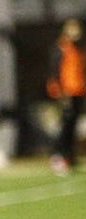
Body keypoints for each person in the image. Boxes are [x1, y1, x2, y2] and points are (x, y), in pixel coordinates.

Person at [47, 17, 84, 175]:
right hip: (66, 93)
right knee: (64, 126)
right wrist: (60, 93)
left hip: (78, 92)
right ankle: (58, 156)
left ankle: (69, 157)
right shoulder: (61, 48)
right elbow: (54, 72)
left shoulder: (79, 48)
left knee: (73, 126)